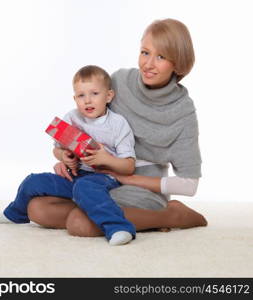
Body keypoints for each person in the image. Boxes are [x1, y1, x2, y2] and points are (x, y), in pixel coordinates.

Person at [25, 18, 208, 237]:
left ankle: (171, 215)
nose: (148, 64)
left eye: (161, 57)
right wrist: (65, 156)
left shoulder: (182, 111)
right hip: (94, 178)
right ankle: (104, 212)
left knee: (79, 223)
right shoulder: (120, 82)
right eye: (145, 52)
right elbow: (89, 122)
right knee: (37, 209)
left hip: (142, 187)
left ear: (177, 63)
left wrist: (127, 178)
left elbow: (189, 185)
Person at [0, 65, 138, 246]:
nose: (87, 101)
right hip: (75, 175)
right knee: (33, 181)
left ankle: (118, 227)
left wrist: (104, 159)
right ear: (74, 98)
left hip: (105, 176)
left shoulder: (117, 124)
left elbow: (129, 165)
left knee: (85, 187)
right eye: (81, 96)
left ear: (108, 96)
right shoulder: (72, 117)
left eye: (94, 93)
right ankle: (16, 213)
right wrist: (63, 156)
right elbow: (57, 149)